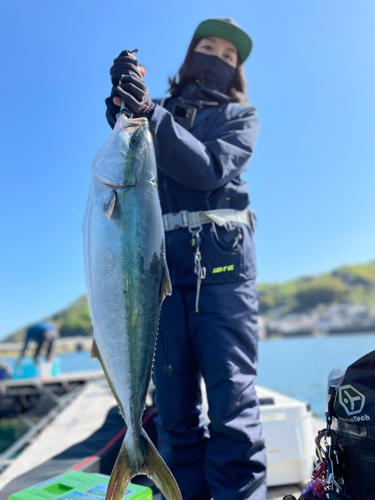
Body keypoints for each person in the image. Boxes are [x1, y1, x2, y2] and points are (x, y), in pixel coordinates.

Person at [105, 17, 267, 500]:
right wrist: (120, 100)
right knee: (173, 417)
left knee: (233, 412)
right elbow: (127, 153)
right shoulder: (160, 112)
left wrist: (151, 113)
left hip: (223, 275)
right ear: (190, 54)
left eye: (228, 55)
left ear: (235, 71)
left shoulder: (240, 118)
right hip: (161, 278)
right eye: (208, 46)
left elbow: (208, 170)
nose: (216, 57)